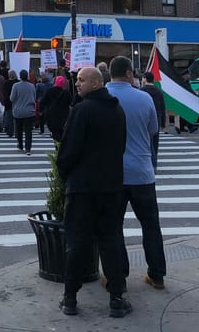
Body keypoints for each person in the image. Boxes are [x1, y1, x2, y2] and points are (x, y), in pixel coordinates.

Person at [56, 66, 131, 318]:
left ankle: (70, 298)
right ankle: (117, 298)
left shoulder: (81, 110)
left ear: (97, 83)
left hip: (82, 188)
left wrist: (66, 175)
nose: (77, 84)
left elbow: (68, 151)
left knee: (76, 242)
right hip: (110, 187)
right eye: (77, 80)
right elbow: (120, 147)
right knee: (110, 241)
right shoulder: (117, 110)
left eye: (81, 80)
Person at [107, 55, 167, 292]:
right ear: (129, 73)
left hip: (113, 174)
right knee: (150, 225)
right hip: (142, 172)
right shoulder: (144, 98)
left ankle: (117, 275)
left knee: (113, 227)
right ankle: (157, 274)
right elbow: (153, 130)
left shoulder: (103, 98)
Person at [141, 71, 166, 171]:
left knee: (147, 141)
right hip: (157, 116)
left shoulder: (142, 91)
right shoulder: (158, 91)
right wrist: (163, 121)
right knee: (155, 141)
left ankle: (150, 162)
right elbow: (163, 106)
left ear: (145, 79)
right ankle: (155, 163)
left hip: (146, 117)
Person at [10, 69, 37, 155]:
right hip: (29, 111)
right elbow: (34, 97)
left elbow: (12, 98)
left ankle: (20, 144)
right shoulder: (32, 86)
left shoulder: (16, 86)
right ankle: (28, 148)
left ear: (20, 77)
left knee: (19, 129)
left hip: (18, 111)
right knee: (28, 131)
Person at [41, 75, 72, 142]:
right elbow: (70, 102)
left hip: (52, 115)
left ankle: (58, 148)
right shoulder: (66, 93)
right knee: (62, 131)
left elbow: (43, 102)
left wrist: (41, 111)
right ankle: (62, 146)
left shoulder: (49, 91)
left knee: (55, 132)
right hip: (64, 116)